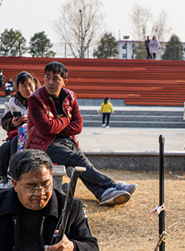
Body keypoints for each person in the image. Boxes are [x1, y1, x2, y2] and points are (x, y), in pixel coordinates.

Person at [27, 61, 137, 206]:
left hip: (67, 142)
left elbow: (78, 126)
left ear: (64, 82)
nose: (50, 82)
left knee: (79, 165)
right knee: (78, 159)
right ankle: (112, 185)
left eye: (55, 78)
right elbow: (46, 129)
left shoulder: (70, 97)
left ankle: (102, 193)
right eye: (47, 77)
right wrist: (67, 120)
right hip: (44, 146)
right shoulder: (36, 99)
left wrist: (57, 124)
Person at [0, 71, 39, 191]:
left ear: (34, 84)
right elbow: (5, 122)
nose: (28, 88)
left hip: (36, 137)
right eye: (23, 86)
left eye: (30, 85)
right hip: (18, 136)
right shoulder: (12, 102)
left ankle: (14, 175)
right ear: (18, 88)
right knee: (4, 148)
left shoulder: (40, 98)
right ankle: (1, 177)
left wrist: (31, 119)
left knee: (14, 143)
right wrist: (13, 123)